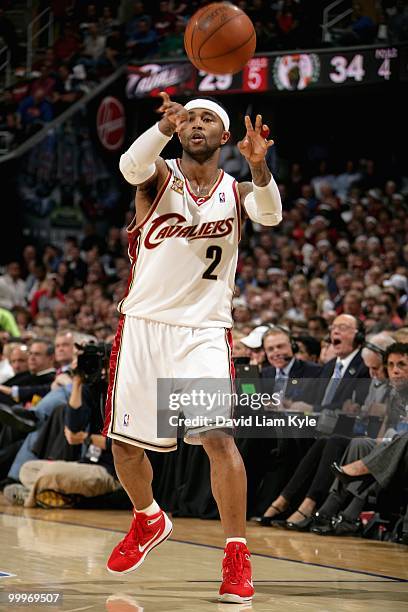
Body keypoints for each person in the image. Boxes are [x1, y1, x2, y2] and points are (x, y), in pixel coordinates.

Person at [103, 91, 282, 603]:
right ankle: (148, 518)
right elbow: (130, 163)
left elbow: (270, 216)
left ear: (226, 136)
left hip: (203, 331)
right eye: (190, 119)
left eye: (208, 118)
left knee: (218, 439)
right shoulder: (158, 177)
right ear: (179, 131)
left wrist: (260, 166)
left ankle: (236, 557)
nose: (196, 124)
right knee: (124, 445)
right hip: (142, 326)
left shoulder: (239, 189)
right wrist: (162, 126)